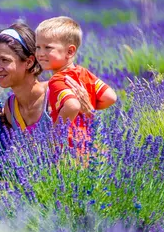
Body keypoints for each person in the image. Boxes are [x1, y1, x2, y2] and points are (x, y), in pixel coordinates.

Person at [0, 21, 94, 136]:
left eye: (5, 60)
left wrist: (88, 112)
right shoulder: (11, 108)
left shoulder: (56, 92)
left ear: (29, 62)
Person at [34, 16, 117, 144]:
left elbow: (72, 106)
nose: (40, 53)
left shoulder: (58, 80)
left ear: (70, 51)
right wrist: (89, 110)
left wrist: (55, 137)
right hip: (91, 143)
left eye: (48, 48)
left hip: (70, 148)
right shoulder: (85, 73)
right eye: (38, 47)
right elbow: (110, 97)